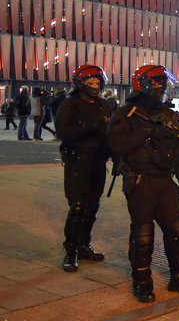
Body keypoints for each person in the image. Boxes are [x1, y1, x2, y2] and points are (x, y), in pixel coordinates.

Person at [106, 65, 179, 303]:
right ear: (146, 85)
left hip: (164, 179)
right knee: (143, 235)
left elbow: (178, 152)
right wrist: (147, 131)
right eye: (159, 85)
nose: (163, 90)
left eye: (163, 85)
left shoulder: (167, 114)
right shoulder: (127, 113)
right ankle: (142, 282)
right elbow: (116, 145)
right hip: (140, 179)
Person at [55, 65, 113, 273]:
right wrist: (88, 128)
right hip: (78, 162)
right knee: (78, 206)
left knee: (92, 206)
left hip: (98, 161)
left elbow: (110, 134)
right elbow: (63, 130)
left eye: (97, 83)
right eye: (90, 83)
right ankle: (70, 250)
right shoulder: (70, 104)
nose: (95, 87)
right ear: (80, 85)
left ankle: (83, 244)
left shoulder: (104, 106)